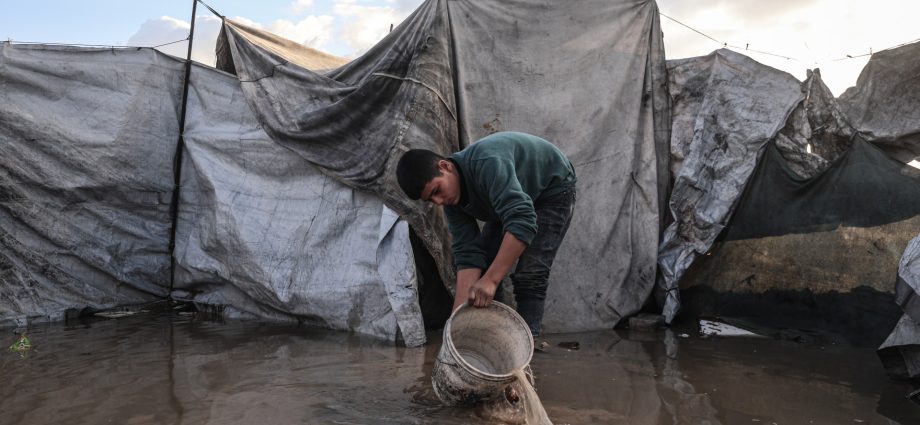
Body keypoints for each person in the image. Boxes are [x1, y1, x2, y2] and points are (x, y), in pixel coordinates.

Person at [396, 131, 576, 337]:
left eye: (436, 191)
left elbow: (523, 222)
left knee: (530, 273)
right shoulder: (451, 202)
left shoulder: (487, 162)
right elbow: (468, 254)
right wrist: (454, 326)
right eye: (430, 200)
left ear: (445, 166)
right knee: (485, 271)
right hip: (511, 201)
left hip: (552, 189)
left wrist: (491, 280)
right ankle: (493, 338)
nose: (438, 202)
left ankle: (527, 344)